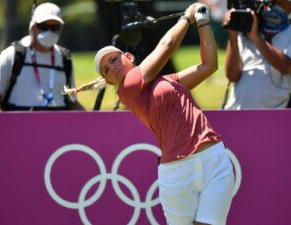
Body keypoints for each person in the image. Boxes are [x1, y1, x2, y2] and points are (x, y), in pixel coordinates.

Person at [65, 3, 235, 225]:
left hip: (214, 158)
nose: (112, 67)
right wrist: (186, 18)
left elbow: (208, 66)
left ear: (128, 56)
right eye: (107, 69)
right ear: (108, 81)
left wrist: (203, 22)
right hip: (178, 171)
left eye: (114, 59)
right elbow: (167, 46)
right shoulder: (127, 88)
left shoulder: (166, 82)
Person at [0, 2, 84, 112]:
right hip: (18, 127)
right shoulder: (12, 55)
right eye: (43, 26)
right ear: (33, 27)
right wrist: (3, 127)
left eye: (54, 27)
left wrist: (90, 121)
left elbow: (72, 102)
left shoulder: (65, 58)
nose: (49, 31)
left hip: (57, 127)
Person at [223, 0, 291, 109]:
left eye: (280, 4)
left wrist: (256, 38)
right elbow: (232, 76)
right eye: (271, 3)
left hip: (275, 118)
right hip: (237, 113)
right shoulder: (245, 31)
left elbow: (286, 67)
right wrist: (233, 36)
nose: (273, 8)